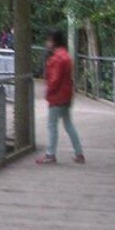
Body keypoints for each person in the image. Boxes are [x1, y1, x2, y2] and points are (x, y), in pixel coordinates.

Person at [37, 30, 85, 164]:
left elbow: (54, 79)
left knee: (52, 125)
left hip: (57, 96)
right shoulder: (66, 55)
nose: (47, 43)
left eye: (48, 40)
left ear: (53, 41)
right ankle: (79, 152)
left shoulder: (57, 58)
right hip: (66, 95)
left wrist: (48, 92)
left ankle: (50, 154)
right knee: (68, 124)